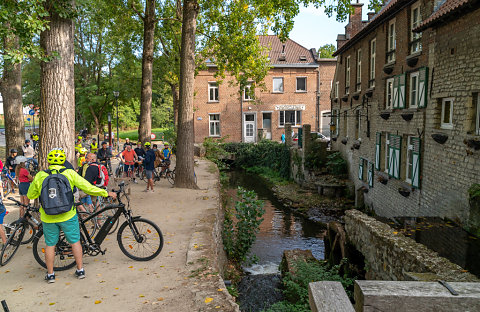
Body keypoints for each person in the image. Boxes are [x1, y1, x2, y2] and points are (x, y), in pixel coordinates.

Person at [27, 148, 117, 283]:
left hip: (48, 216)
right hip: (68, 214)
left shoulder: (40, 175)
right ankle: (80, 270)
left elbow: (30, 195)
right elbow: (87, 187)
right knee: (75, 241)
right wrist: (105, 193)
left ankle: (50, 274)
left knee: (50, 245)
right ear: (63, 160)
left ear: (49, 161)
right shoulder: (69, 173)